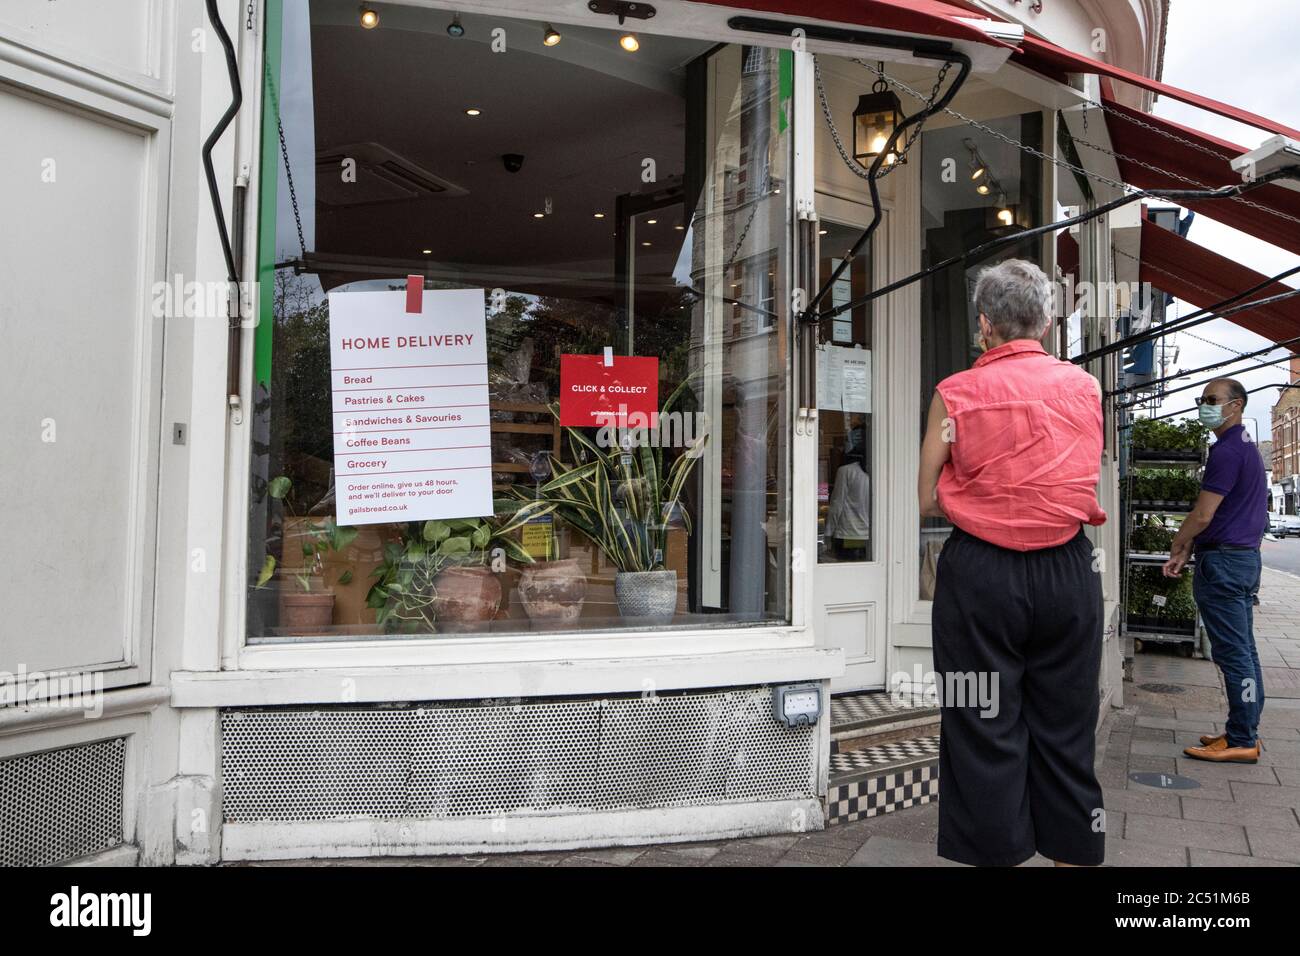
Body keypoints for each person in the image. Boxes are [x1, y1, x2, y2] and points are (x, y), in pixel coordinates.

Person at [917, 258, 1108, 867]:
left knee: (982, 730)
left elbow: (925, 497)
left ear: (984, 326)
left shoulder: (956, 393)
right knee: (1067, 732)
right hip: (1069, 570)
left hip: (981, 575)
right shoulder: (1084, 388)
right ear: (1047, 324)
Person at [1162, 379, 1268, 763]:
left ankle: (1242, 737)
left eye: (1211, 400)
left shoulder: (1227, 451)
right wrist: (1189, 547)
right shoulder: (1245, 449)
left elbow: (1204, 513)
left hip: (1224, 563)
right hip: (1240, 559)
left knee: (1234, 654)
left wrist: (1179, 540)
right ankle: (1244, 731)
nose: (1203, 406)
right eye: (1201, 399)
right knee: (1245, 652)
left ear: (1235, 406)